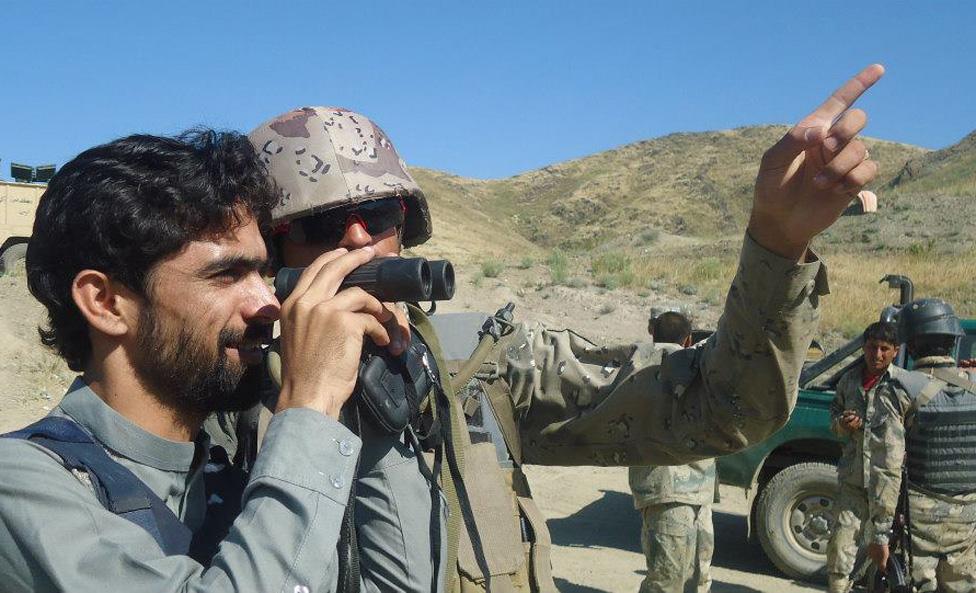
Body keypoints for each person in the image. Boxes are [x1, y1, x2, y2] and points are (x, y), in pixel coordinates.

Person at [244, 63, 885, 592]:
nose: (358, 238)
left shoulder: (479, 366)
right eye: (323, 225)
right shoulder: (221, 400)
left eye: (379, 212)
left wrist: (777, 243)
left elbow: (724, 408)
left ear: (405, 226)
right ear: (270, 251)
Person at [0, 130, 404, 592]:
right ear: (106, 303)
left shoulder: (222, 476)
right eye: (227, 274)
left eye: (261, 270)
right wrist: (311, 404)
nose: (268, 302)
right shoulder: (21, 486)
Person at [866, 299, 976, 593]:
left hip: (918, 521)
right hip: (969, 520)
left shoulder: (899, 390)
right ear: (953, 341)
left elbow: (886, 468)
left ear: (910, 346)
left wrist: (880, 535)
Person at [629, 310, 716, 593]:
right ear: (689, 339)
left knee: (684, 579)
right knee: (672, 582)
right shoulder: (701, 366)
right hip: (674, 489)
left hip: (678, 488)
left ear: (652, 333)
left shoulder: (635, 368)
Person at [824, 321, 902, 593]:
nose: (877, 355)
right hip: (853, 482)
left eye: (884, 349)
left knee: (886, 556)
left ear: (895, 351)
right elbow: (834, 413)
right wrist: (843, 425)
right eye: (871, 347)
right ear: (863, 348)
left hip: (889, 489)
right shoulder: (849, 381)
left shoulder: (902, 386)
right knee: (839, 547)